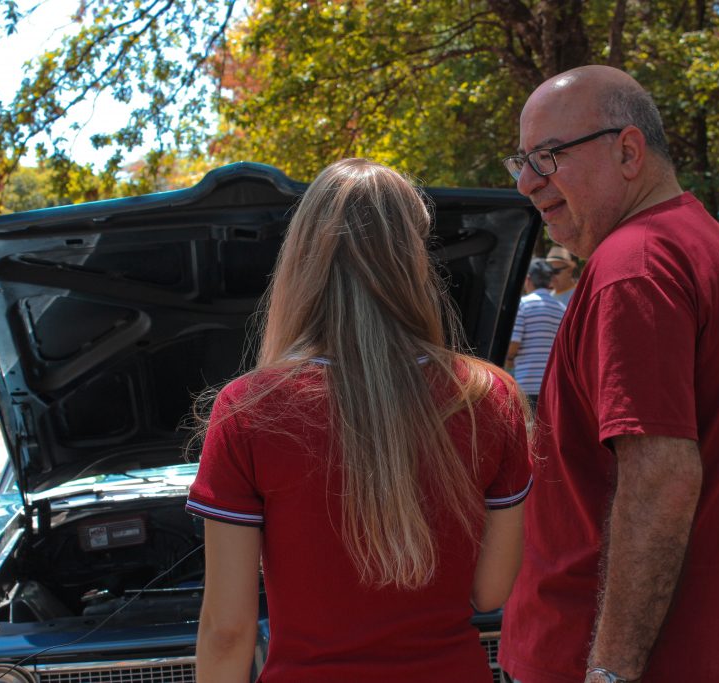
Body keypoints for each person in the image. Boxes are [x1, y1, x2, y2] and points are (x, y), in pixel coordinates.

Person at [498, 65, 719, 682]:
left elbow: (660, 477)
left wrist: (610, 672)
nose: (528, 184)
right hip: (717, 651)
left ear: (627, 150)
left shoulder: (633, 265)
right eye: (522, 161)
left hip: (620, 662)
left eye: (549, 156)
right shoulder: (707, 246)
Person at [186, 159, 532, 682]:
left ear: (302, 256)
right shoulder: (490, 396)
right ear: (415, 256)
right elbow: (489, 591)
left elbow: (227, 630)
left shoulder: (248, 408)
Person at [506, 258, 565, 414]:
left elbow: (513, 344)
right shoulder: (561, 308)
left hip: (526, 383)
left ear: (528, 280)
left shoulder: (524, 304)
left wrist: (509, 359)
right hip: (552, 385)